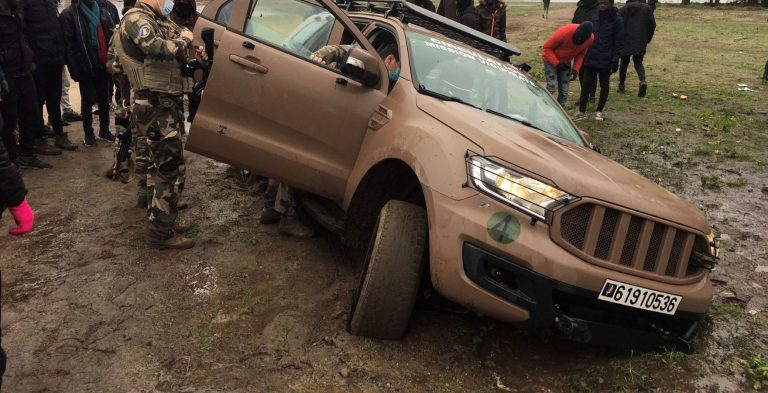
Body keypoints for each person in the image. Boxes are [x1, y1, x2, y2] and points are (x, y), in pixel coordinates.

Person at [115, 0, 196, 249]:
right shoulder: (137, 19)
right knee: (168, 167)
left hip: (160, 101)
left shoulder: (152, 18)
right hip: (155, 103)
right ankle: (161, 232)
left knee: (157, 165)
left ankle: (161, 220)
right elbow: (156, 47)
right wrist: (184, 39)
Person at [0, 0, 53, 168]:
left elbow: (23, 37)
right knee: (8, 119)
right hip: (7, 75)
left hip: (24, 71)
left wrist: (29, 57)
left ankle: (27, 154)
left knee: (30, 112)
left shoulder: (17, 13)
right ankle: (11, 160)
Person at [21, 0, 79, 151]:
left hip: (55, 57)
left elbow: (56, 29)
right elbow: (23, 32)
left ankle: (59, 135)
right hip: (39, 59)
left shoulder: (50, 3)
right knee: (38, 100)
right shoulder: (26, 4)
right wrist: (30, 58)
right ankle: (39, 139)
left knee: (55, 98)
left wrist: (62, 54)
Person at [61, 0, 118, 146]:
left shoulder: (104, 10)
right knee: (87, 100)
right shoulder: (70, 14)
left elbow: (112, 35)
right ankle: (89, 133)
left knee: (104, 98)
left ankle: (104, 130)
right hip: (86, 64)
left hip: (104, 62)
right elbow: (69, 46)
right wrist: (74, 69)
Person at [575, 0, 623, 121]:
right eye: (601, 3)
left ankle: (599, 111)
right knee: (586, 84)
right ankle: (582, 111)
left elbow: (618, 41)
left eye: (605, 3)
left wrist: (615, 59)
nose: (602, 5)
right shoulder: (594, 16)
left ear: (611, 4)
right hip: (591, 56)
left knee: (604, 85)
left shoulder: (617, 20)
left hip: (606, 58)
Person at [541, 22, 595, 107]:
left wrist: (575, 69)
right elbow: (546, 48)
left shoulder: (590, 39)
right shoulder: (564, 33)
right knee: (552, 86)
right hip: (551, 59)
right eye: (577, 38)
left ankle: (560, 112)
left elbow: (581, 54)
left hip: (566, 62)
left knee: (564, 90)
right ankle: (542, 106)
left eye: (581, 40)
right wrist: (557, 63)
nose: (578, 40)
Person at [618, 0, 655, 97]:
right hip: (640, 39)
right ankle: (642, 80)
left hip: (625, 40)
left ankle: (621, 85)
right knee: (638, 61)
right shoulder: (647, 8)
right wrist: (647, 38)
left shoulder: (622, 10)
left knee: (624, 63)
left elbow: (618, 26)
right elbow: (652, 25)